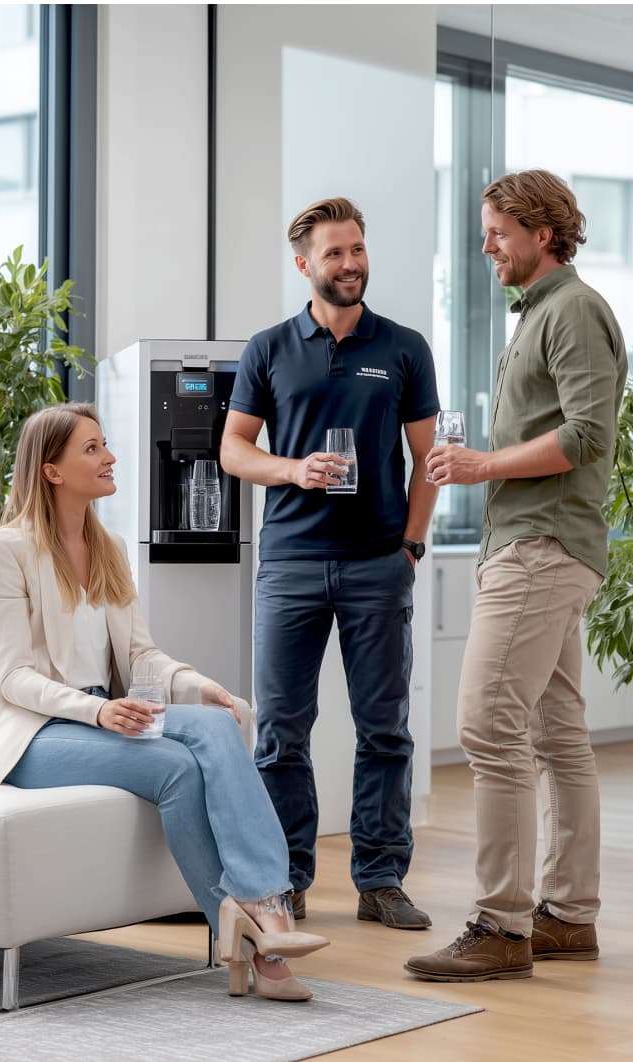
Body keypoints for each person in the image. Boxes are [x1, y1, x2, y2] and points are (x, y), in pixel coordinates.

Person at [0, 401, 329, 1002]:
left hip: (102, 715)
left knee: (210, 726)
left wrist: (193, 683)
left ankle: (263, 916)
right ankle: (265, 933)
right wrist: (97, 710)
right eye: (91, 449)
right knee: (178, 765)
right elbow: (11, 677)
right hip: (32, 733)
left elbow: (141, 658)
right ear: (51, 470)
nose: (109, 458)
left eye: (105, 444)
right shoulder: (7, 548)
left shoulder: (107, 546)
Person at [405, 170, 628, 983]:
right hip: (539, 544)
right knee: (558, 735)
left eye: (497, 230)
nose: (486, 245)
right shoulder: (541, 315)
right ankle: (568, 916)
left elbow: (586, 436)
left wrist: (479, 465)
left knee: (487, 728)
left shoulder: (571, 312)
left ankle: (501, 925)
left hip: (540, 549)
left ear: (541, 231)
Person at [220, 197, 440, 930]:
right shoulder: (268, 349)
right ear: (304, 264)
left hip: (379, 563)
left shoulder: (403, 347)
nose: (350, 264)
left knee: (385, 730)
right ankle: (285, 878)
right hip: (289, 565)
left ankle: (380, 880)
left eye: (357, 250)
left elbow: (428, 460)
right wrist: (291, 471)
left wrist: (411, 545)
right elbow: (233, 450)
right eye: (335, 253)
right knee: (282, 730)